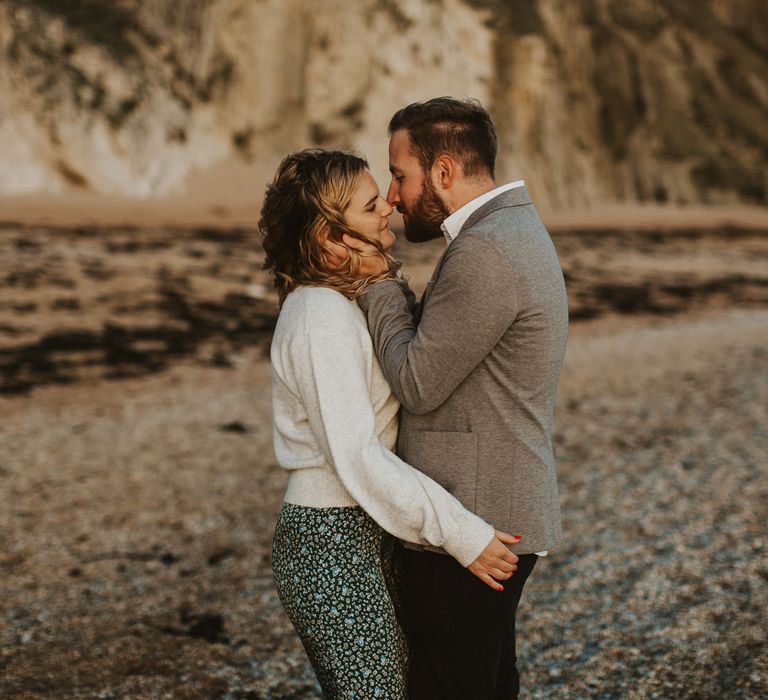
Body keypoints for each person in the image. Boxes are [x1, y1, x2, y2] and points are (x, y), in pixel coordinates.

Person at [260, 148, 523, 699]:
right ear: (332, 238)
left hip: (360, 528)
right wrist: (463, 535)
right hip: (328, 539)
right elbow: (358, 456)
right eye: (369, 204)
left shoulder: (340, 305)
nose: (389, 209)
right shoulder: (319, 318)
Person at [334, 97, 568, 699]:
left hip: (477, 518)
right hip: (497, 505)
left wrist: (378, 280)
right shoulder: (507, 230)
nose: (391, 196)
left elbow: (414, 380)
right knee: (487, 682)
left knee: (450, 686)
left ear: (442, 172)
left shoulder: (486, 250)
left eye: (399, 175)